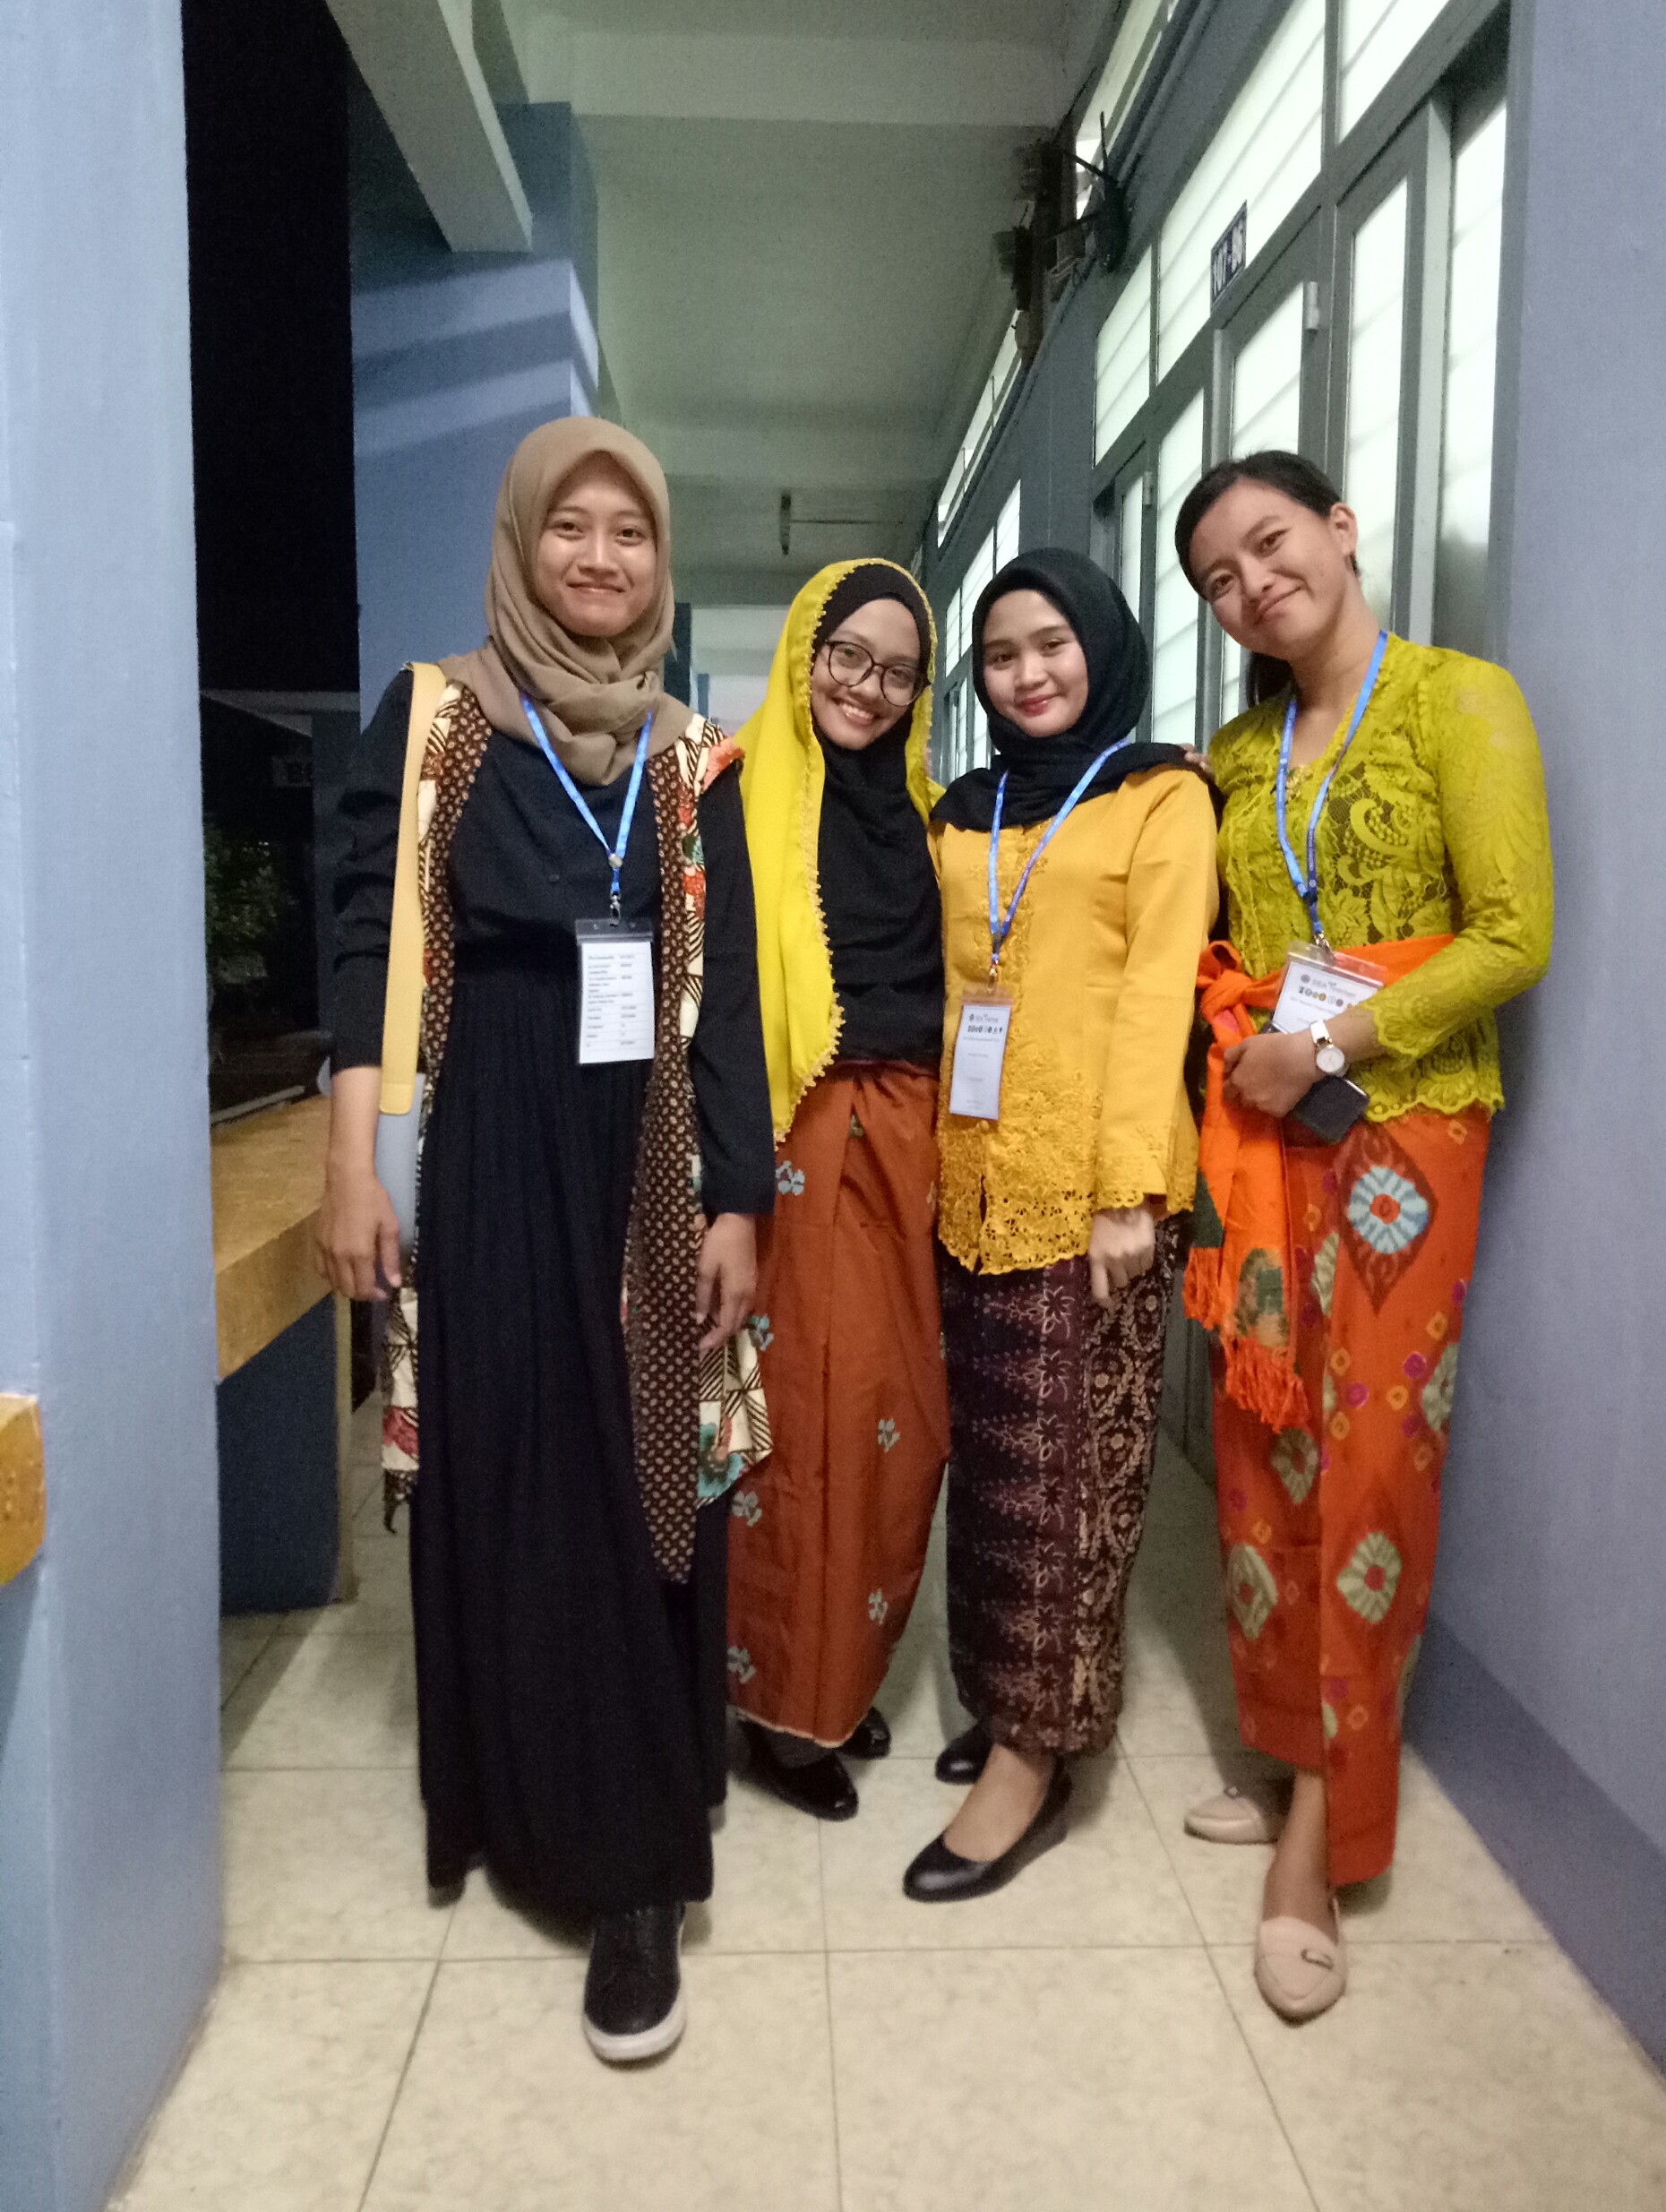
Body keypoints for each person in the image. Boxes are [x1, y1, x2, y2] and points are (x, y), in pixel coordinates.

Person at [317, 417, 777, 2064]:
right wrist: (353, 1167)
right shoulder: (436, 717)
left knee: (643, 1467)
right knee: (514, 1458)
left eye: (629, 532)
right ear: (521, 545)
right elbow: (364, 939)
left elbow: (731, 990)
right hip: (499, 1131)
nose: (600, 557)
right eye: (569, 527)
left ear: (661, 561)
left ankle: (635, 1861)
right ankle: (520, 1788)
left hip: (652, 1144)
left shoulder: (693, 756)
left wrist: (741, 1198)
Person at [1174, 450, 1553, 2019]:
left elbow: (1513, 936)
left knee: (1373, 1457)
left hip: (1402, 1134)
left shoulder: (1463, 701)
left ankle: (1328, 1824)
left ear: (1339, 530)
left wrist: (1329, 1043)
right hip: (1265, 1137)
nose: (1253, 587)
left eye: (1270, 545)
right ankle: (1282, 1748)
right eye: (1219, 580)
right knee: (1262, 1442)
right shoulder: (1236, 753)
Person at [905, 546, 1218, 1902]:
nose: (1027, 674)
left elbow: (1158, 997)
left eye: (1052, 646)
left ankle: (1040, 1754)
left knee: (1069, 1490)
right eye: (1000, 656)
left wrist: (1127, 1192)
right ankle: (999, 1699)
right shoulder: (963, 809)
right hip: (967, 1183)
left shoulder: (1160, 797)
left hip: (1092, 1198)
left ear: (1102, 646)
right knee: (990, 1478)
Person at [726, 561, 950, 1820]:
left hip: (910, 1133)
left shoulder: (924, 813)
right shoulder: (730, 786)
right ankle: (779, 1708)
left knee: (896, 1420)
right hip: (790, 1132)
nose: (867, 688)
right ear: (804, 649)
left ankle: (838, 1674)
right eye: (846, 656)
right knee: (799, 1418)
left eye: (897, 672)